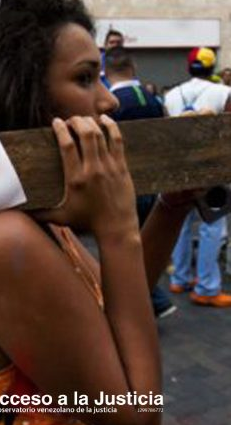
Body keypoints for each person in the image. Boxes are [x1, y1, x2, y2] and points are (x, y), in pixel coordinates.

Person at [0, 1, 193, 424]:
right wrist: (117, 225)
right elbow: (137, 416)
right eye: (85, 78)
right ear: (28, 96)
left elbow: (116, 299)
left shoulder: (37, 217)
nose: (109, 100)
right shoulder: (3, 240)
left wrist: (172, 206)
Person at [103, 46, 175, 318]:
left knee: (128, 250)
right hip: (152, 183)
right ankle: (152, 301)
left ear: (106, 71)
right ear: (132, 67)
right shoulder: (152, 99)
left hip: (123, 185)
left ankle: (152, 302)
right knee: (146, 244)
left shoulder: (110, 103)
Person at [165, 47, 231, 307]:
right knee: (212, 226)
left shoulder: (171, 95)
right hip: (210, 168)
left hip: (178, 167)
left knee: (180, 224)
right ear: (211, 67)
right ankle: (206, 287)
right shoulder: (224, 92)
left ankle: (179, 278)